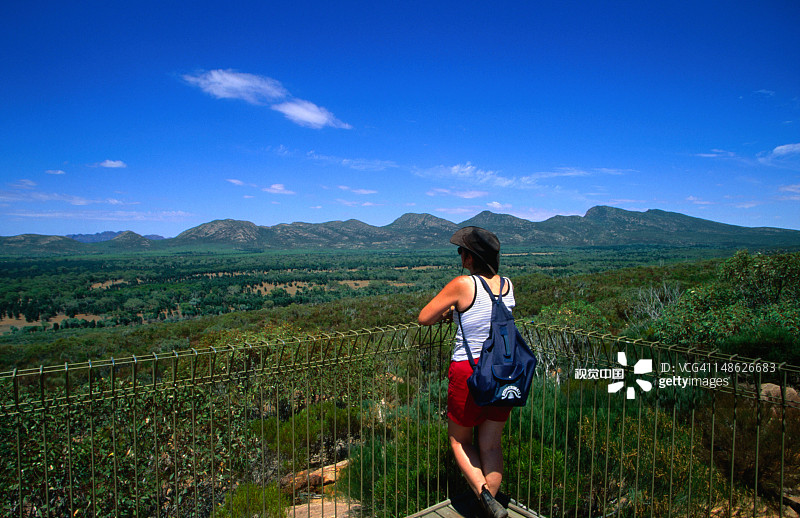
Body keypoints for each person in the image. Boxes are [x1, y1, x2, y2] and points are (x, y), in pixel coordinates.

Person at [418, 226, 513, 518]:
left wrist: (452, 311)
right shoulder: (507, 284)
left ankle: (484, 496)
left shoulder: (463, 284)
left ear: (470, 258)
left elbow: (424, 317)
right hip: (503, 371)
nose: (459, 254)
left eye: (462, 250)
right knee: (491, 444)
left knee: (460, 440)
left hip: (468, 372)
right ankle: (491, 509)